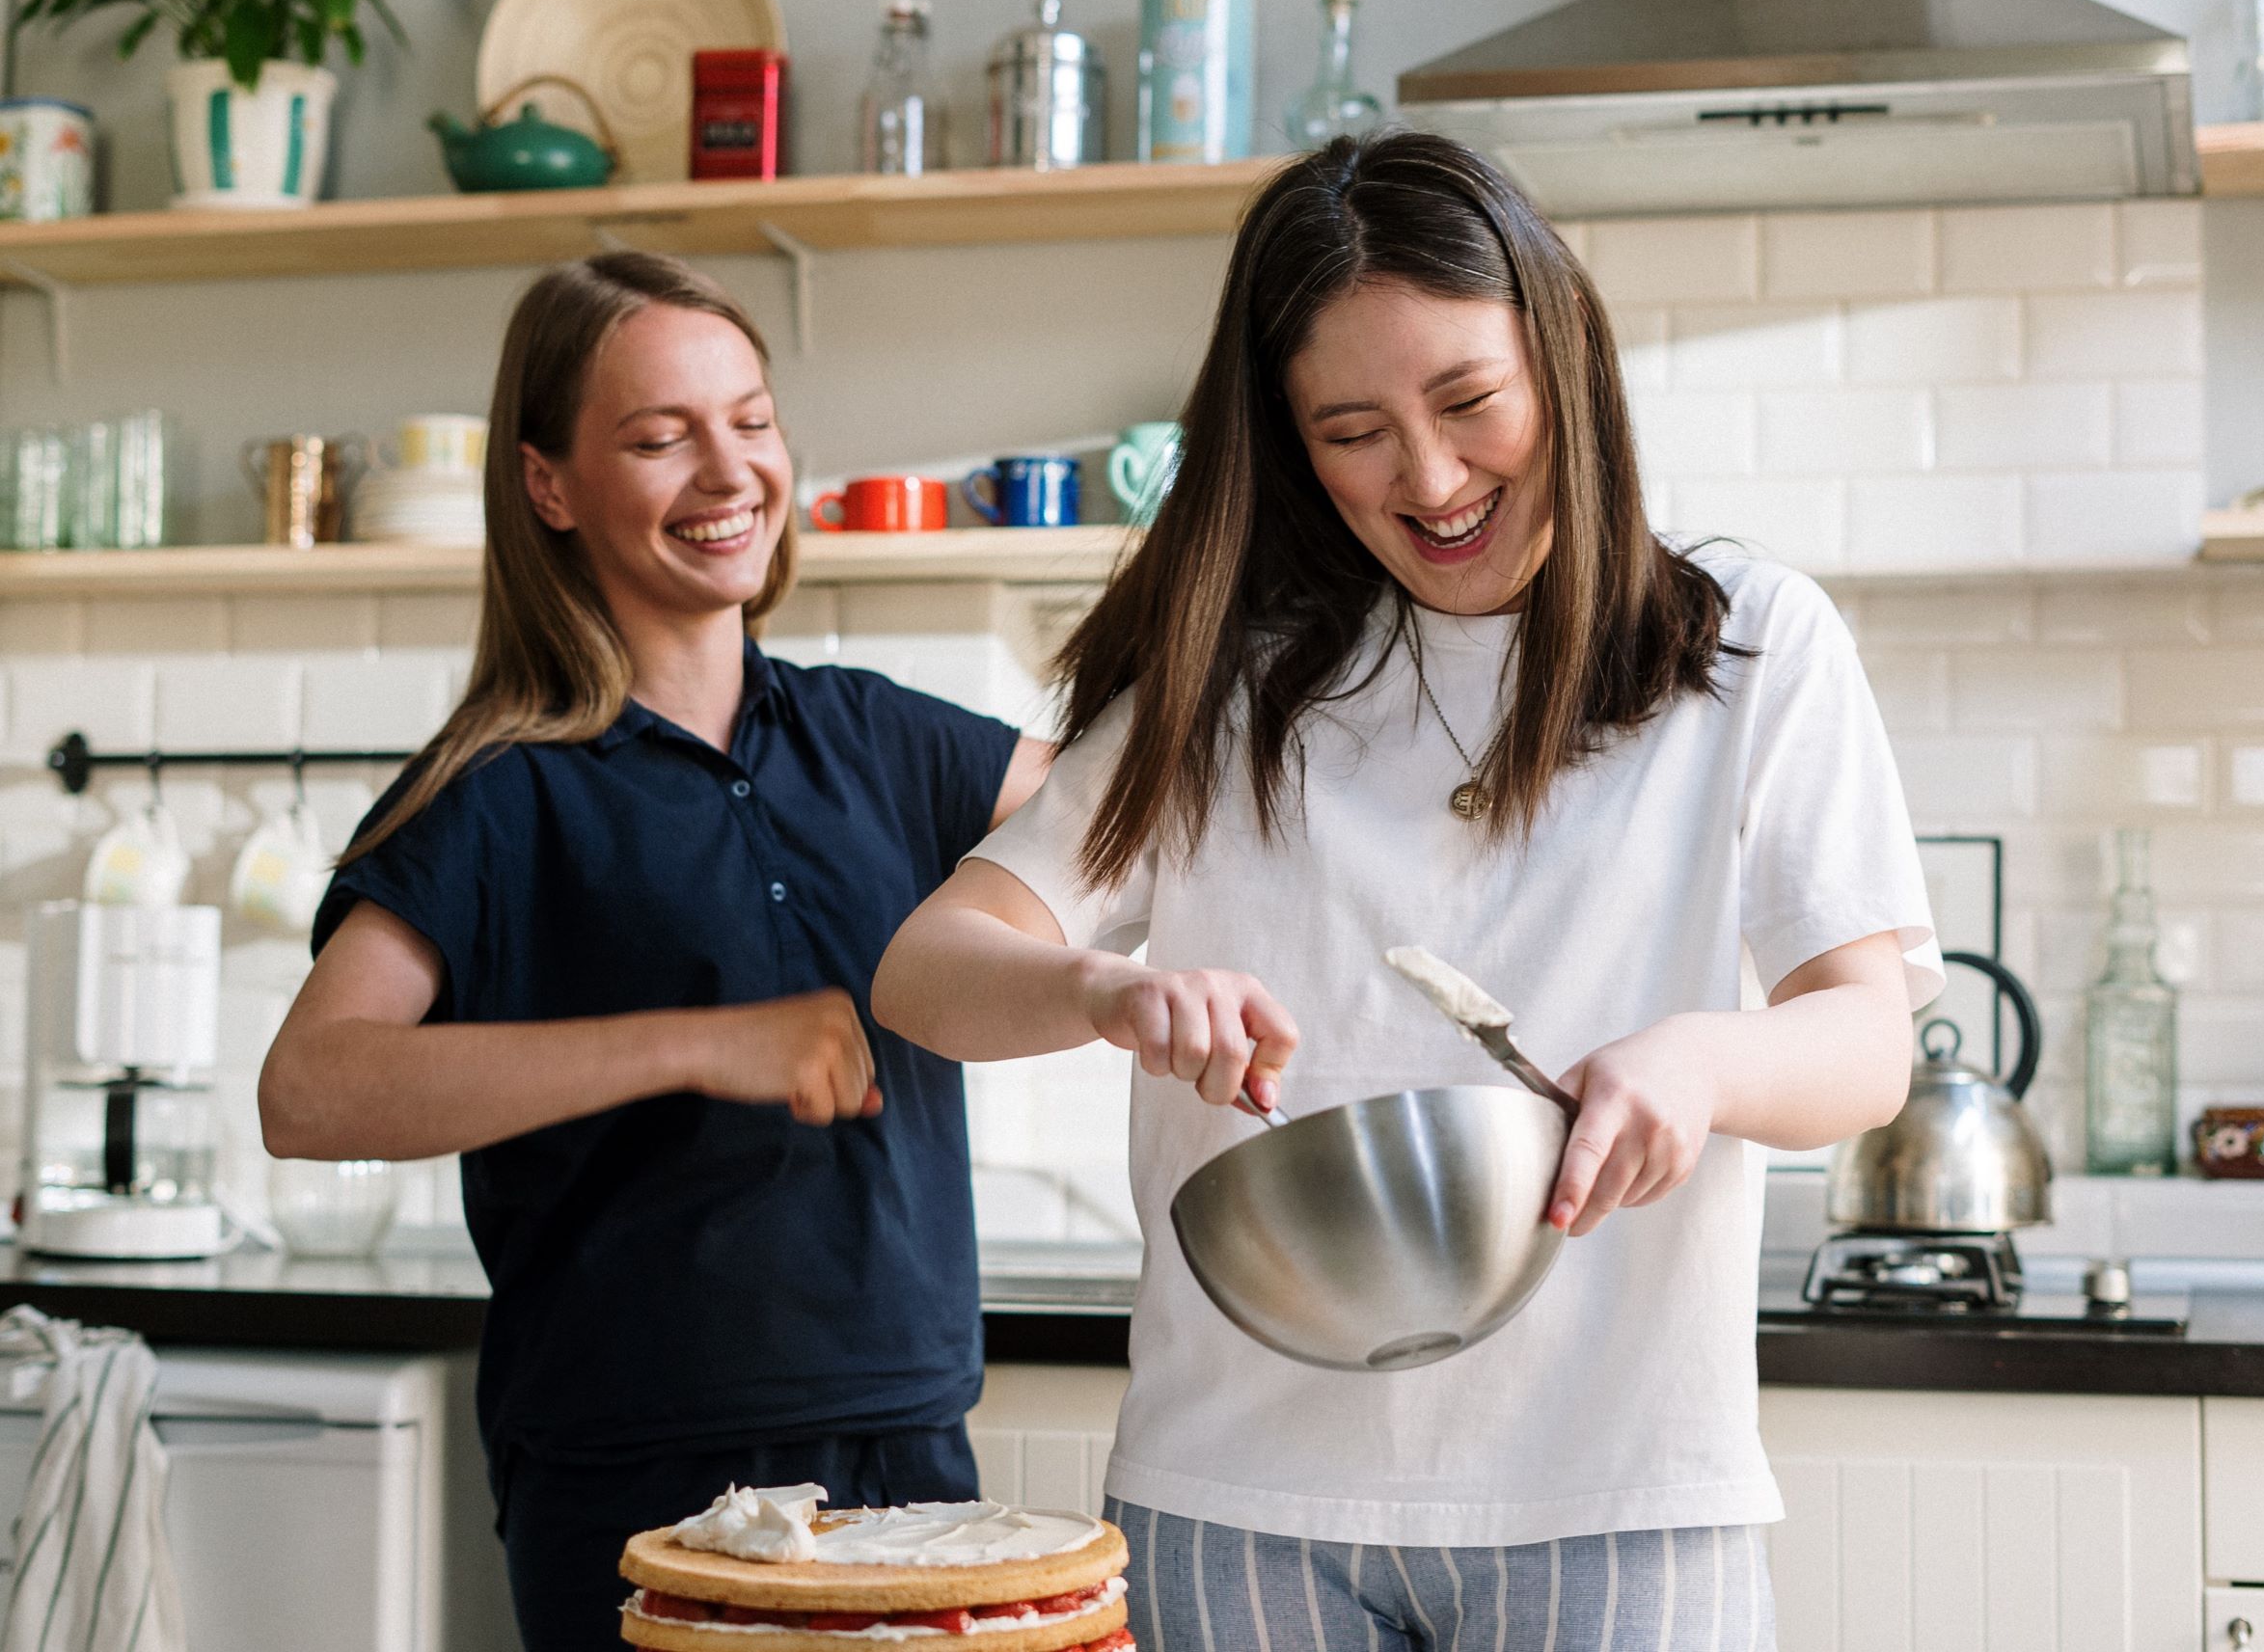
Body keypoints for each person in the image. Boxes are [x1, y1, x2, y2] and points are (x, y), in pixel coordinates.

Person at [872, 132, 1939, 1649]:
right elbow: (928, 969)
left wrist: (1701, 1059)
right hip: (1242, 1498)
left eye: (1467, 402)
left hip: (1622, 1492)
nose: (1430, 481)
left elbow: (1866, 1039)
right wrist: (1101, 990)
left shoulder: (1749, 647)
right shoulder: (1232, 688)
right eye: (1353, 429)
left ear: (1559, 360)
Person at [259, 252, 1047, 1650]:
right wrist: (703, 1041)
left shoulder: (882, 738)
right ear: (549, 485)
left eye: (749, 421)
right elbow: (310, 1090)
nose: (727, 470)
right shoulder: (494, 792)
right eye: (658, 436)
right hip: (638, 1487)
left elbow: (1151, 821)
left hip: (911, 1459)